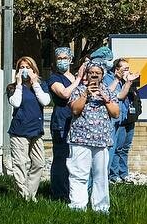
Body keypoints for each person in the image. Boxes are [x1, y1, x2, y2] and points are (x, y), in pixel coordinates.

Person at [67, 63, 120, 212]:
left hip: (101, 140)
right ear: (87, 75)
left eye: (98, 73)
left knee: (101, 176)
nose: (95, 75)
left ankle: (101, 207)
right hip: (80, 139)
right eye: (92, 72)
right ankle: (77, 207)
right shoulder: (78, 90)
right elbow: (75, 110)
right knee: (79, 174)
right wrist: (86, 94)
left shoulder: (108, 92)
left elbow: (116, 113)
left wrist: (105, 98)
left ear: (102, 76)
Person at [5, 56, 49, 201]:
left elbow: (45, 101)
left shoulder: (40, 85)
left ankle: (30, 194)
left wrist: (35, 83)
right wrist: (18, 84)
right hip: (19, 132)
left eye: (28, 67)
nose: (25, 70)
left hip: (36, 131)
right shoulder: (12, 88)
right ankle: (24, 197)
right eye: (22, 67)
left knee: (39, 163)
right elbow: (16, 103)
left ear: (34, 70)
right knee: (20, 164)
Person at [45, 47, 79, 202]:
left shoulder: (74, 77)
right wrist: (79, 81)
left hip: (76, 122)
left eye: (65, 58)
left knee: (74, 158)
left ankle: (72, 191)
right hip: (61, 122)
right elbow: (64, 93)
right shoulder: (54, 78)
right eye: (59, 58)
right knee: (61, 157)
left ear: (70, 60)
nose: (62, 61)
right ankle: (59, 193)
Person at [106, 57, 139, 183]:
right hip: (118, 121)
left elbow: (136, 100)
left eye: (128, 69)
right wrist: (124, 82)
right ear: (117, 69)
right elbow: (118, 97)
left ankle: (123, 173)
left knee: (124, 149)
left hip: (128, 119)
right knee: (116, 148)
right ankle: (113, 175)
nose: (128, 71)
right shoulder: (111, 81)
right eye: (125, 69)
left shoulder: (128, 83)